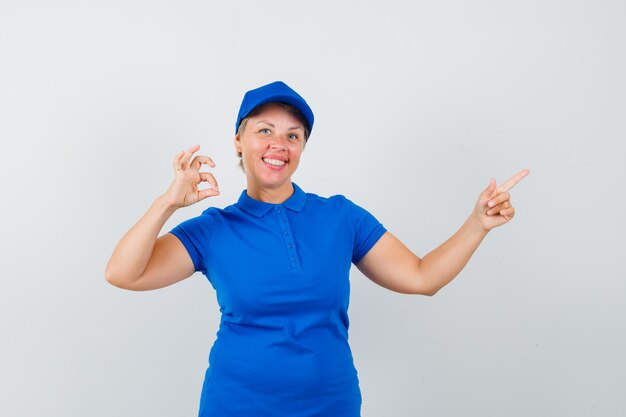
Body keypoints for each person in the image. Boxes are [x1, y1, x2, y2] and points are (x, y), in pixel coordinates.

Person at [105, 81, 529, 416]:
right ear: (238, 141)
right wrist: (167, 204)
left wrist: (477, 224)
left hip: (331, 406)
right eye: (264, 131)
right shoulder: (213, 230)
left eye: (293, 135)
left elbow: (421, 277)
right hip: (236, 408)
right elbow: (123, 273)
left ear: (302, 147)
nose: (279, 144)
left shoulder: (341, 217)